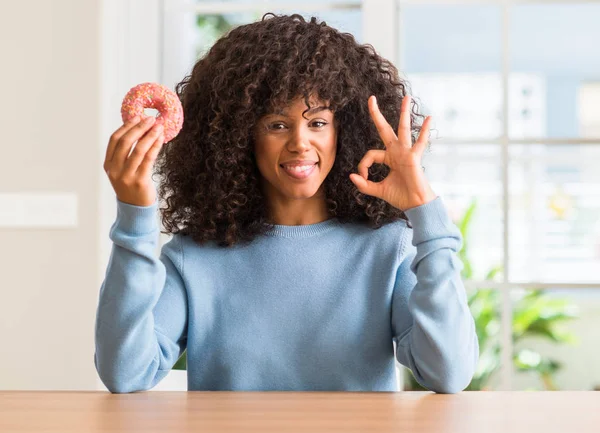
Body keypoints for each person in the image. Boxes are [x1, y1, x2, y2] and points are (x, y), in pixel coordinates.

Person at [95, 13, 479, 394]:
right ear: (240, 137)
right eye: (277, 124)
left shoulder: (386, 248)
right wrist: (134, 217)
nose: (300, 142)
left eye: (317, 123)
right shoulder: (194, 257)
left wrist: (424, 211)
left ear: (342, 131)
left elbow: (448, 372)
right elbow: (126, 373)